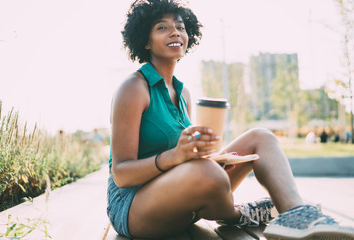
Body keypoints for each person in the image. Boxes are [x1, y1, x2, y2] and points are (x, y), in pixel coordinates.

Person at [107, 0, 354, 239]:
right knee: (207, 172)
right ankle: (241, 215)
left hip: (181, 196)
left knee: (261, 137)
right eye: (162, 27)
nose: (175, 32)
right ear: (145, 41)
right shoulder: (134, 88)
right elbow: (121, 174)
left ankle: (296, 216)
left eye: (180, 27)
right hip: (132, 207)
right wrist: (178, 158)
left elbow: (186, 164)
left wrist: (207, 158)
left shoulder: (183, 93)